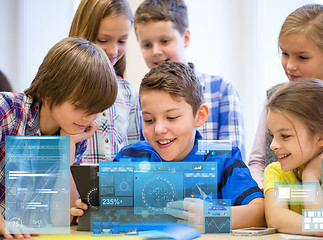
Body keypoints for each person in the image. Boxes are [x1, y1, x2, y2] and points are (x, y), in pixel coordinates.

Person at [71, 61, 265, 229]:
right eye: (148, 120)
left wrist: (213, 214)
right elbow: (101, 209)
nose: (159, 129)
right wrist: (84, 210)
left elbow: (260, 212)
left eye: (171, 117)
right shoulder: (129, 157)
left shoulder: (223, 158)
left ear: (200, 116)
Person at [0, 37, 118, 239]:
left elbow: (60, 218)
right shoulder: (8, 111)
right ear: (48, 93)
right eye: (80, 107)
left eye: (96, 111)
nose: (89, 118)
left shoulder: (75, 133)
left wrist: (67, 149)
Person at [248, 3, 323, 189]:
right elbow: (257, 161)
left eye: (302, 57)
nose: (290, 65)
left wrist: (307, 187)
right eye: (285, 53)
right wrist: (266, 196)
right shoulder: (274, 97)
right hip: (275, 200)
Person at [133, 0, 246, 160]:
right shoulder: (141, 98)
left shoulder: (221, 90)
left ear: (185, 38)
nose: (156, 51)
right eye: (147, 44)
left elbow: (233, 157)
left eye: (165, 41)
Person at [264, 78, 323, 237]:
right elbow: (275, 218)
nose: (272, 145)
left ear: (321, 138)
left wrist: (310, 176)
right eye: (272, 135)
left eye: (285, 136)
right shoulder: (276, 171)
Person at [69, 0, 141, 163]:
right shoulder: (65, 87)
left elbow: (134, 153)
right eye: (102, 40)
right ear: (83, 34)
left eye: (122, 41)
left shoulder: (128, 92)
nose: (113, 51)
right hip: (71, 186)